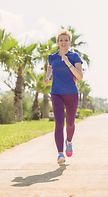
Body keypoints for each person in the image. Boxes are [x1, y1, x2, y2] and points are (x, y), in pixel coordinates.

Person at [43, 29, 83, 166]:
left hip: (72, 93)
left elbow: (80, 76)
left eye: (66, 40)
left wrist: (68, 63)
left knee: (70, 123)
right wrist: (47, 77)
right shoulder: (52, 57)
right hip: (56, 93)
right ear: (58, 42)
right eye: (61, 40)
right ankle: (60, 153)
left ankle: (69, 142)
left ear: (70, 42)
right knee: (59, 123)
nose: (63, 42)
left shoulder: (74, 56)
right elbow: (50, 67)